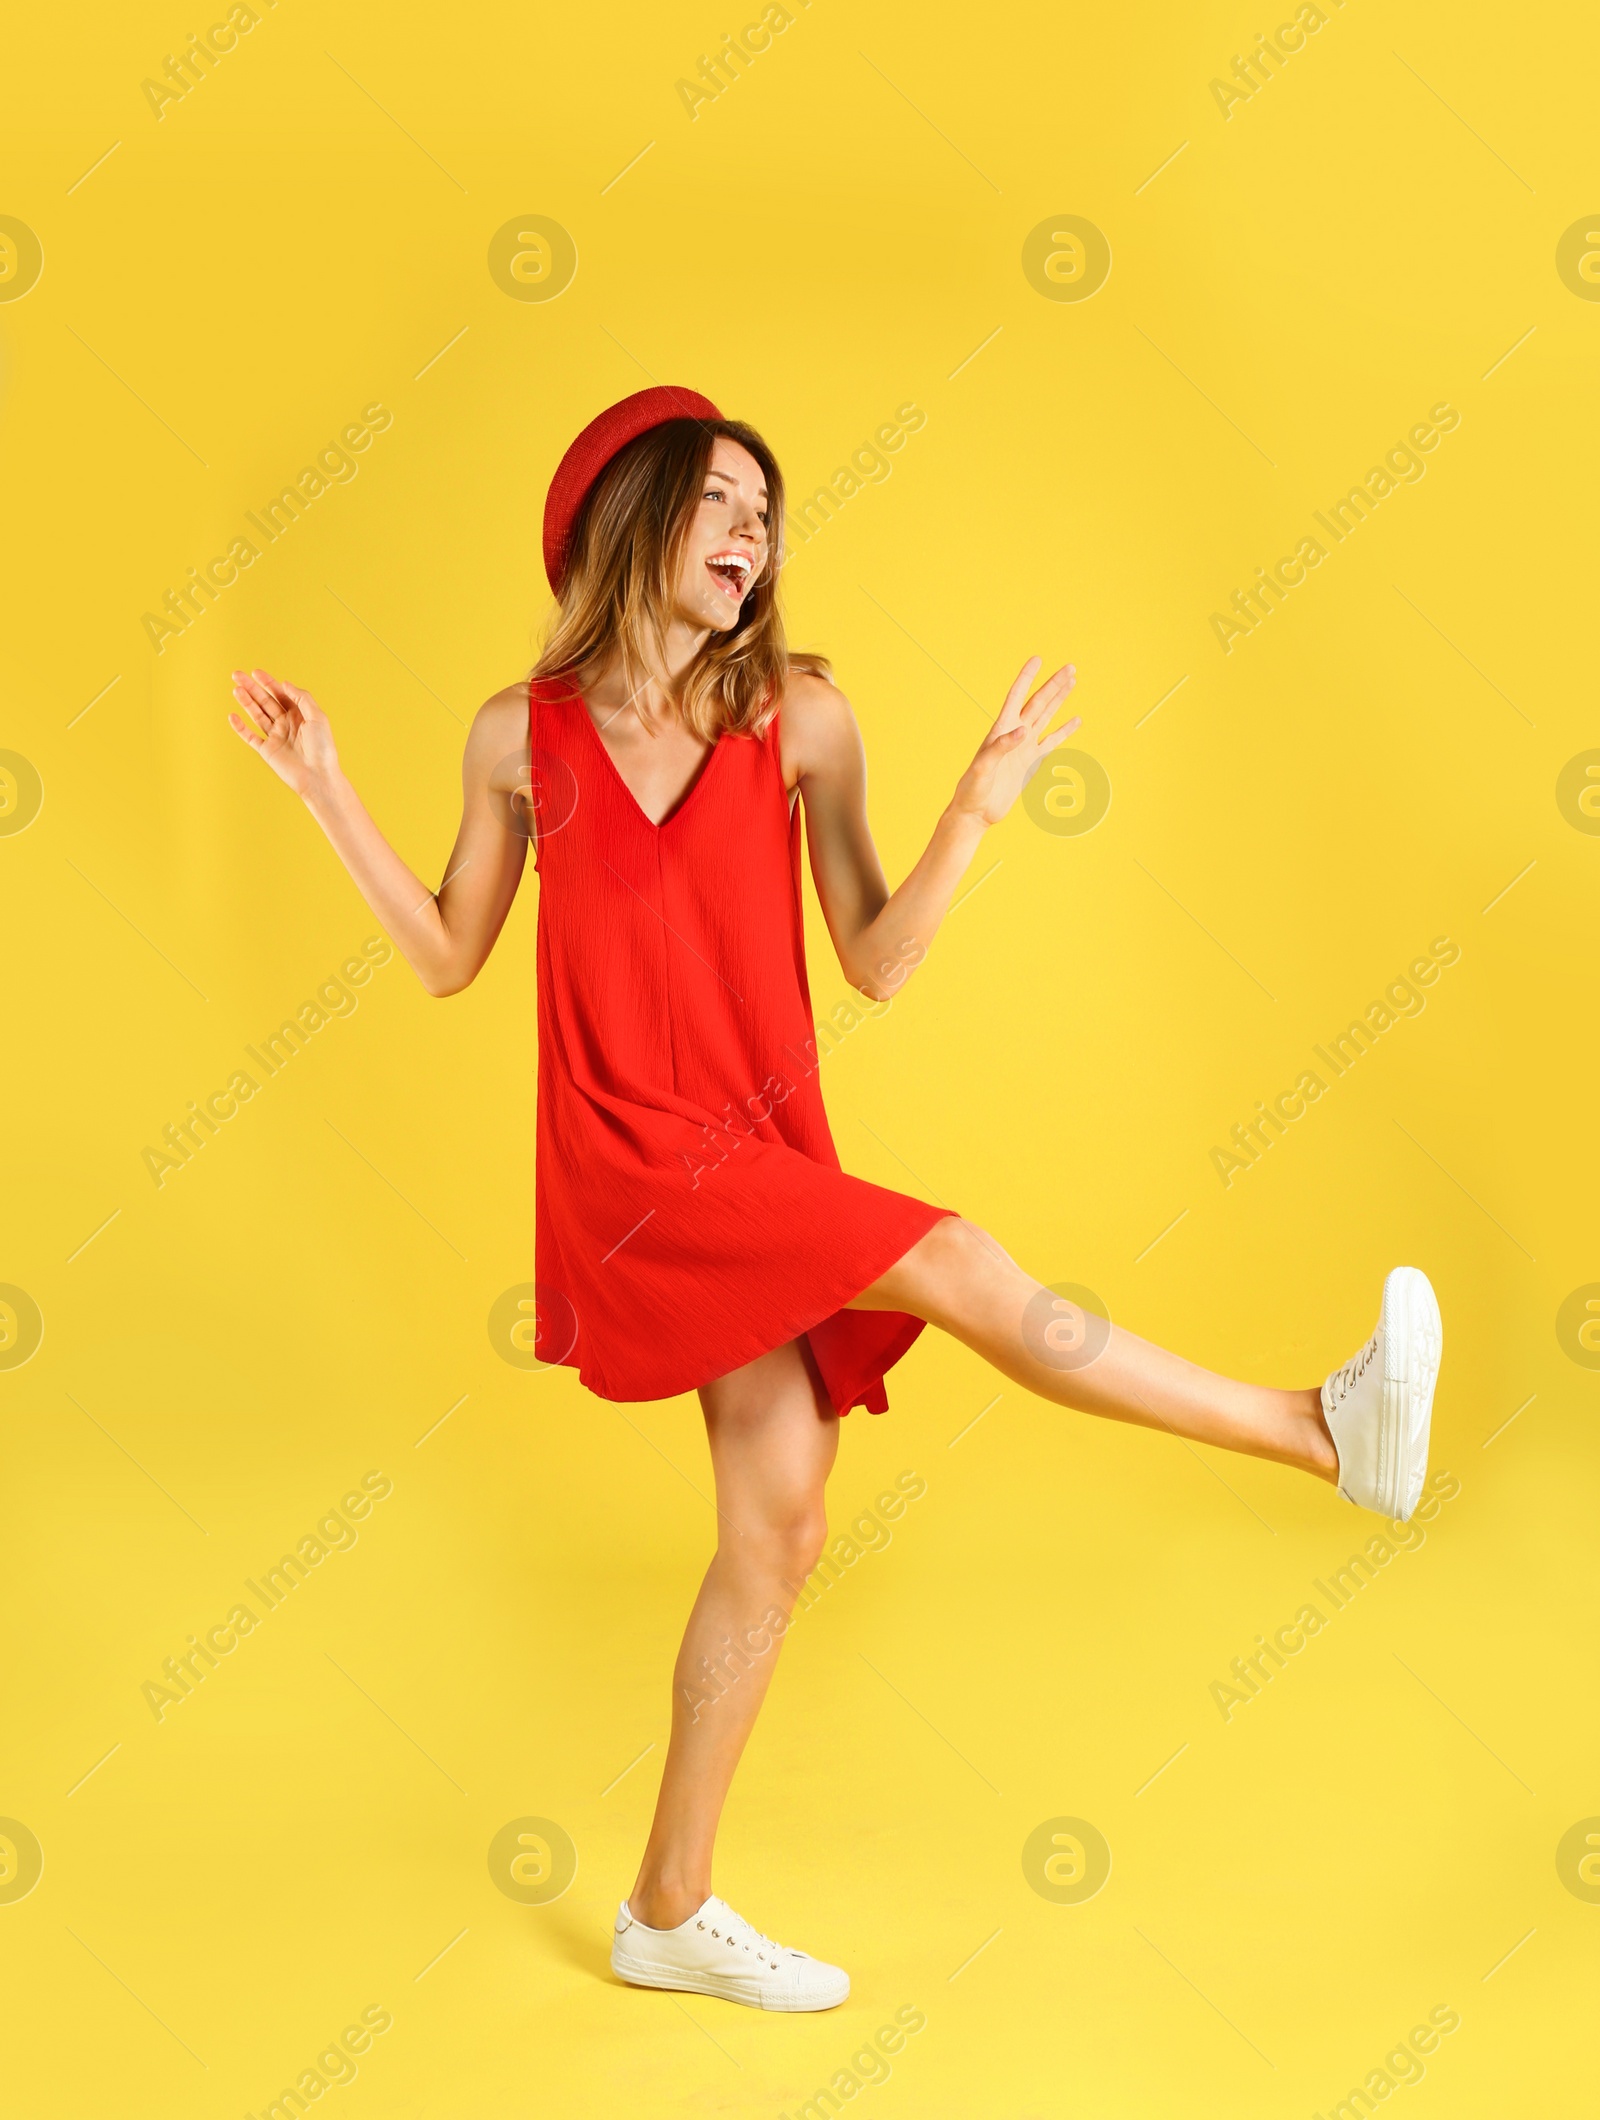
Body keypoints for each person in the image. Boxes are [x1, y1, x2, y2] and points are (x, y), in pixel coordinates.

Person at [227, 384, 1443, 2014]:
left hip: (755, 1158)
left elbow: (873, 959)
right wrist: (321, 788)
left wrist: (973, 813)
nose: (754, 534)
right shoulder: (521, 736)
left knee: (778, 1530)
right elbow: (452, 953)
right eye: (723, 501)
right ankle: (1318, 1429)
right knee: (948, 1253)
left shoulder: (799, 720)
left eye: (767, 512)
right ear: (630, 517)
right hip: (629, 1170)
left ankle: (666, 1907)